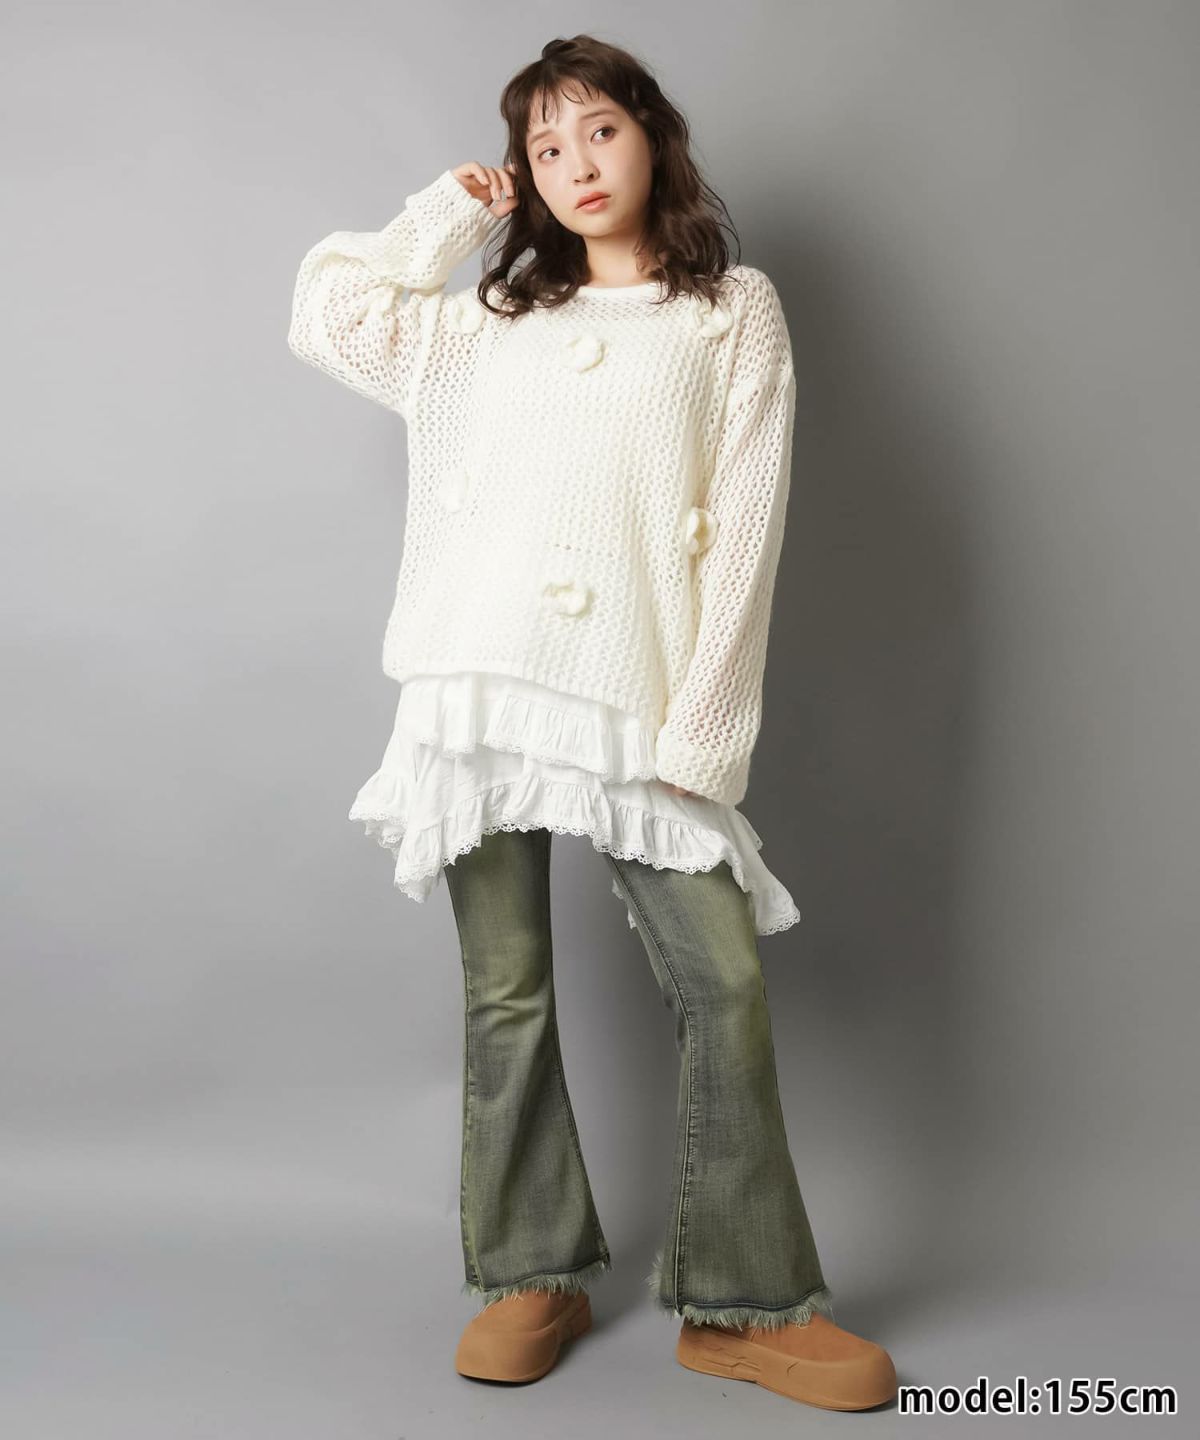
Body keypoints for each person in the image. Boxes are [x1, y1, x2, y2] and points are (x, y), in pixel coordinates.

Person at [287, 33, 897, 1413]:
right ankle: (530, 1272)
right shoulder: (486, 322)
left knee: (721, 982)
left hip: (635, 693)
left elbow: (746, 530)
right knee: (504, 989)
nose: (575, 165)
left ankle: (741, 1303)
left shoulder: (731, 313)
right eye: (545, 147)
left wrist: (706, 731)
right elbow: (328, 314)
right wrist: (444, 217)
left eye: (598, 131)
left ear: (652, 136)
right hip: (479, 681)